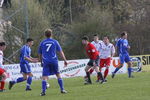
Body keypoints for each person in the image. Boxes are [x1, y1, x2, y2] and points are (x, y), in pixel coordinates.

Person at [38, 29, 68, 96]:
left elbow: (40, 54)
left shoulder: (42, 43)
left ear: (45, 35)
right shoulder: (55, 42)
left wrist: (41, 62)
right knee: (58, 74)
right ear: (51, 34)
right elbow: (60, 52)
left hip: (46, 61)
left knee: (44, 77)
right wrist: (65, 60)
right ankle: (62, 89)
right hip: (54, 60)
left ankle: (43, 91)